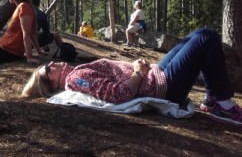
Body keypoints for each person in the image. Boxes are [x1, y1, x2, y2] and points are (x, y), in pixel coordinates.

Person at [22, 28, 242, 126]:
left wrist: (141, 68)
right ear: (53, 82)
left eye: (49, 64)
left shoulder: (74, 73)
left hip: (155, 74)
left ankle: (213, 97)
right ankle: (222, 103)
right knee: (206, 37)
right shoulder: (75, 80)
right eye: (48, 70)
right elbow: (119, 95)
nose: (51, 63)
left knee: (197, 34)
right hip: (162, 86)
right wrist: (138, 72)